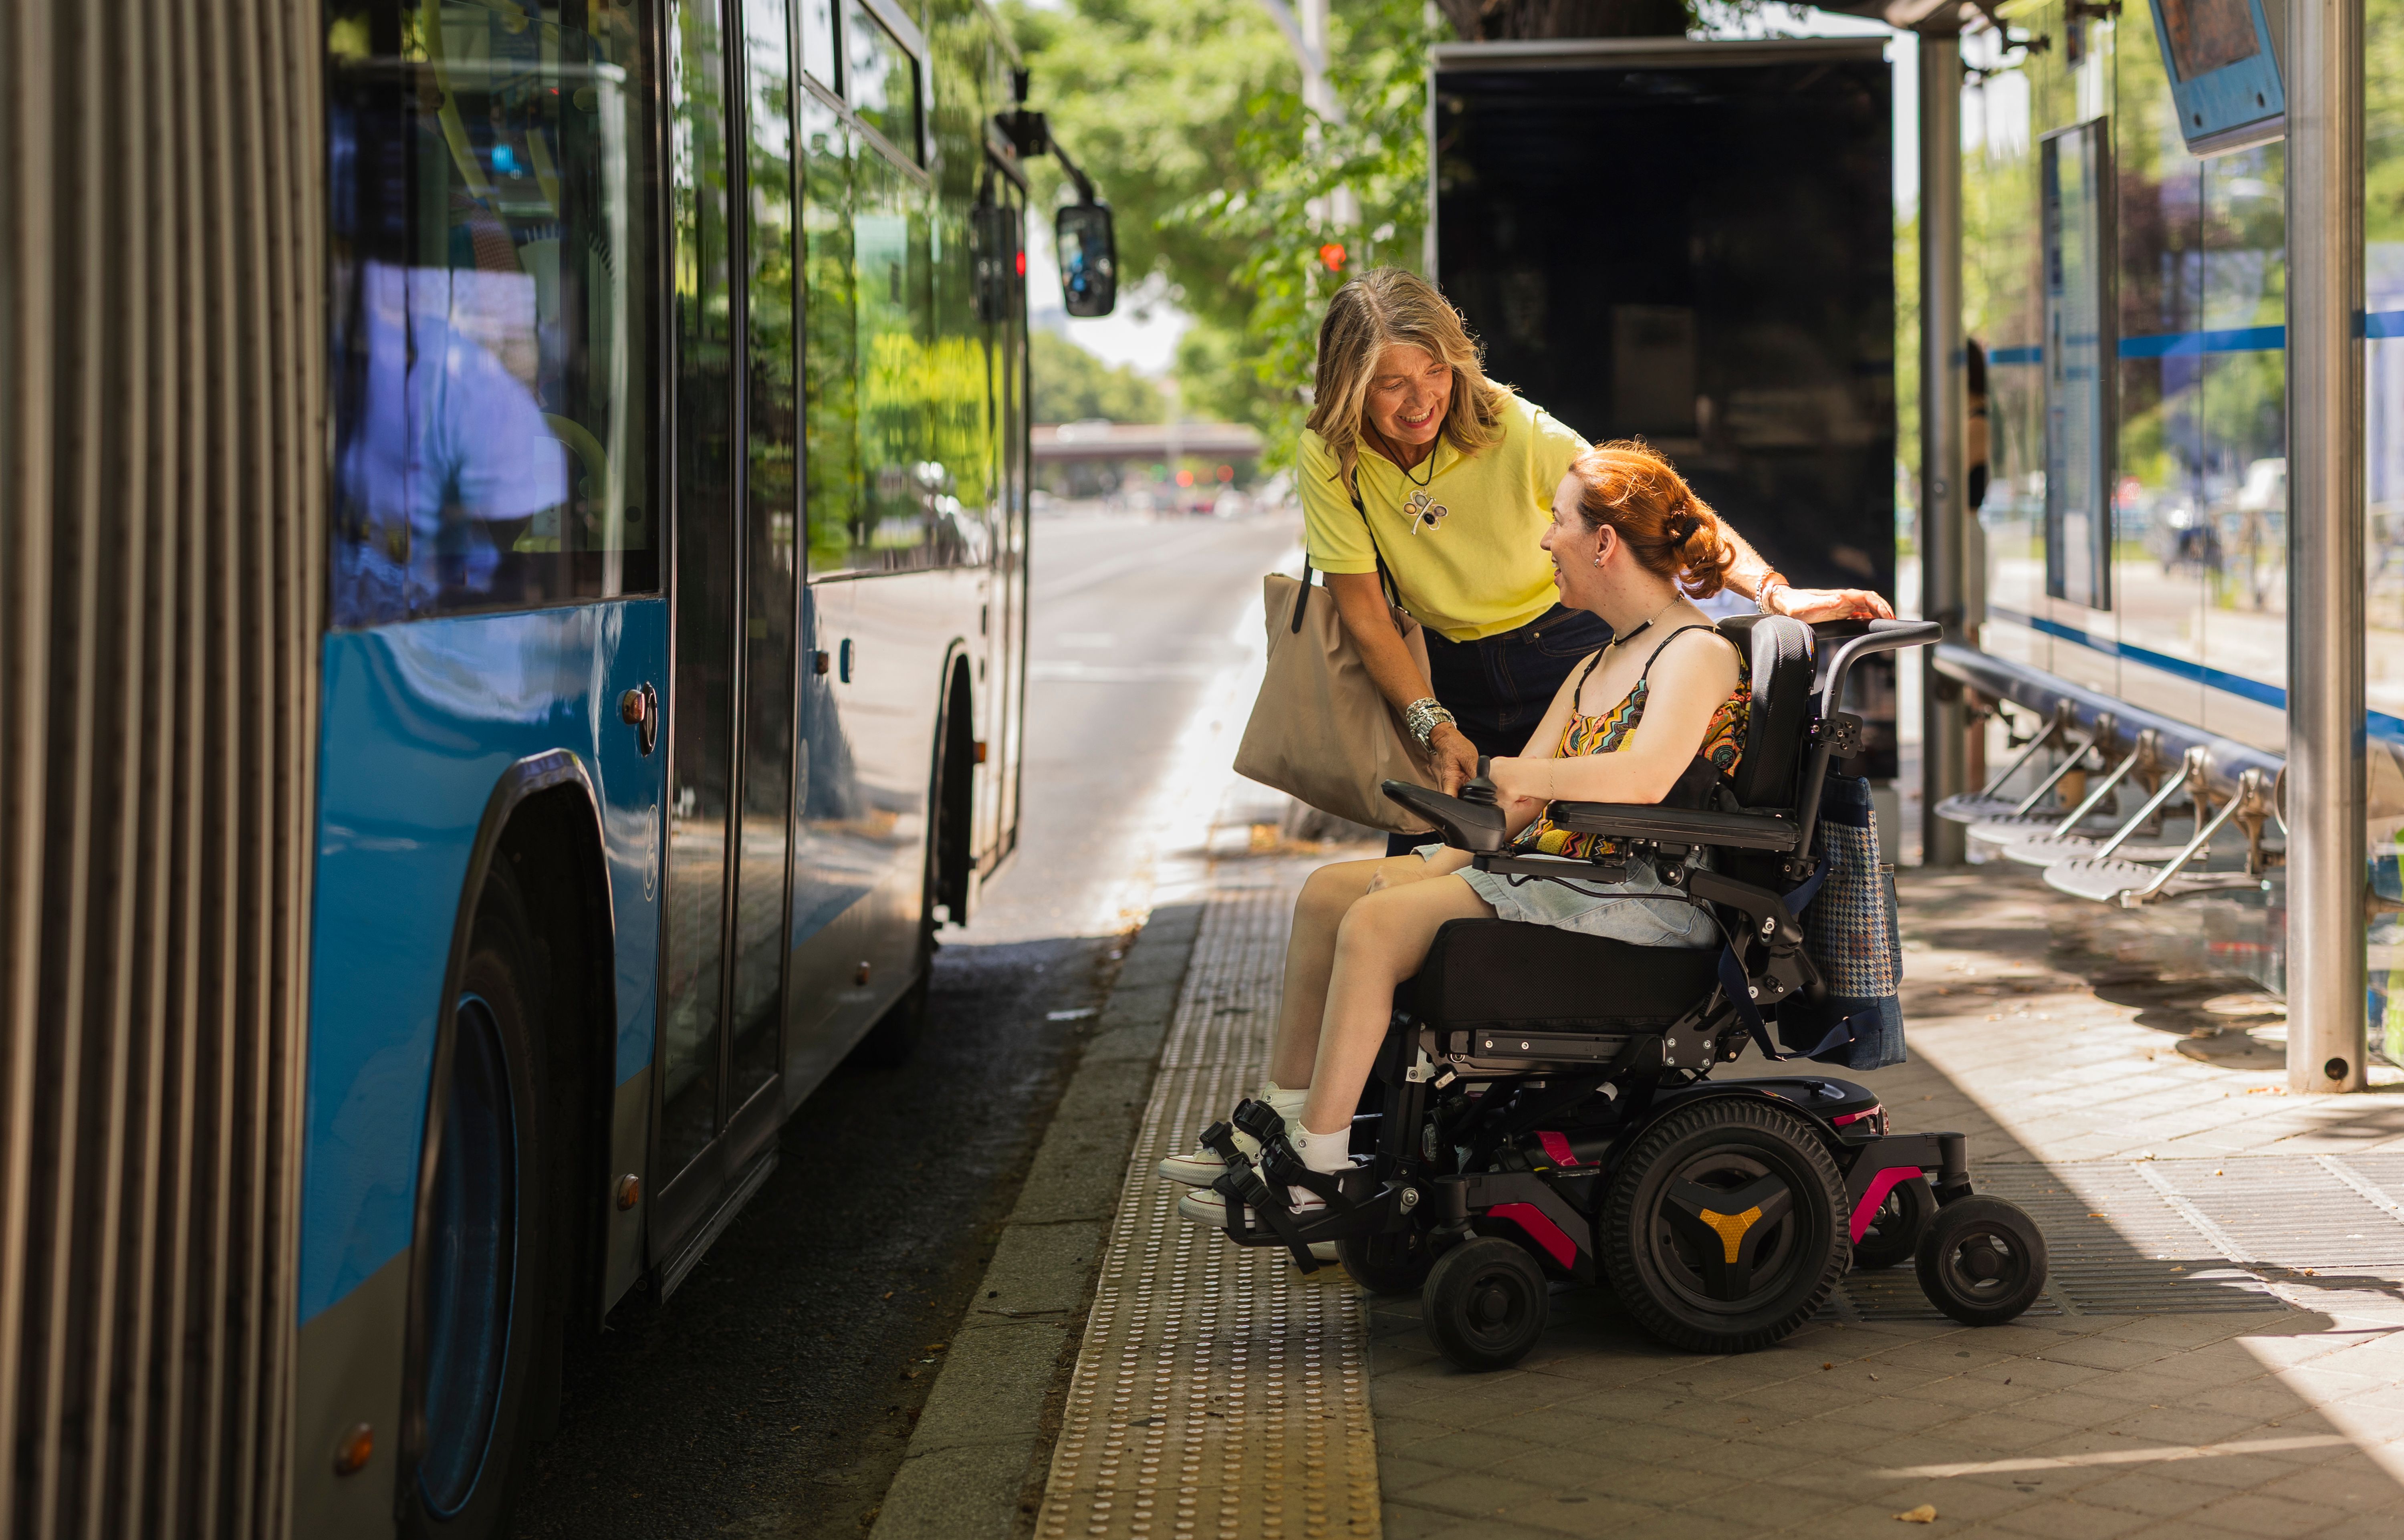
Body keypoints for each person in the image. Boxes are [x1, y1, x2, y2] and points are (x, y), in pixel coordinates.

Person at [1164, 441, 1761, 1224]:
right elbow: (1510, 803)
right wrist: (1435, 862)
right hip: (1577, 881)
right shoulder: (1600, 660)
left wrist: (1526, 778)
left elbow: (1641, 779)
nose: (1546, 539)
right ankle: (1284, 1116)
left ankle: (1319, 1169)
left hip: (1644, 901)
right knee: (1327, 893)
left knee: (1377, 924)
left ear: (1604, 542)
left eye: (1558, 522)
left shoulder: (1698, 652)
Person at [1297, 268, 1889, 853]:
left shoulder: (1508, 424)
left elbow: (1653, 506)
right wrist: (1433, 725)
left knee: (1552, 855)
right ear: (1352, 386)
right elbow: (1367, 615)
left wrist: (1774, 594)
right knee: (1428, 865)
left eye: (1436, 371)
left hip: (1558, 654)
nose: (1422, 400)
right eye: (1392, 383)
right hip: (1439, 677)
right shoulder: (1331, 454)